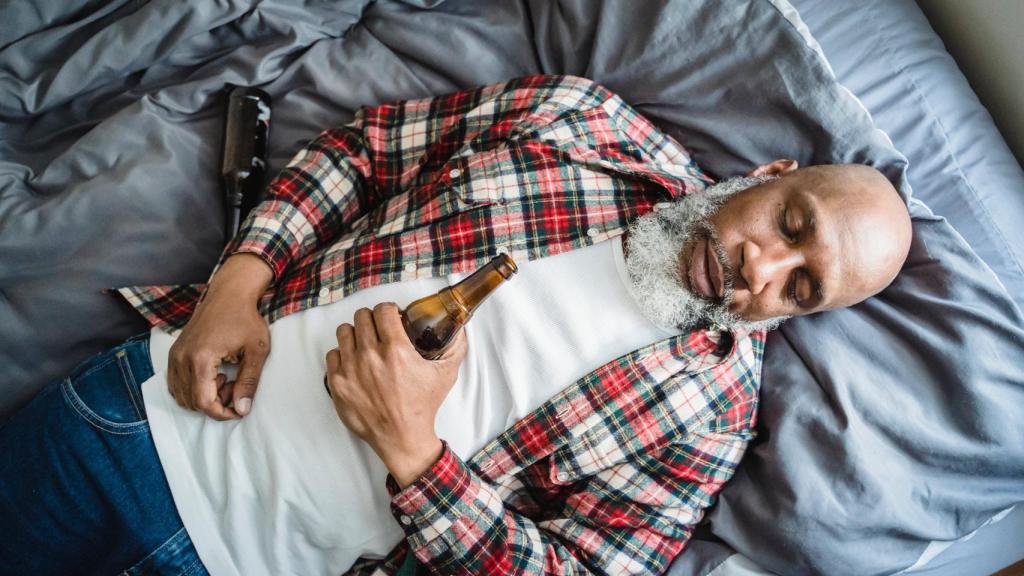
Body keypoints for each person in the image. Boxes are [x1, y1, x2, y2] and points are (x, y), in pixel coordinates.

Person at [0, 75, 912, 576]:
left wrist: (415, 454)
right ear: (772, 169)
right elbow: (364, 153)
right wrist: (239, 281)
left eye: (800, 291)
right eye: (790, 226)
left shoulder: (710, 420)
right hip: (130, 425)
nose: (763, 270)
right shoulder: (584, 123)